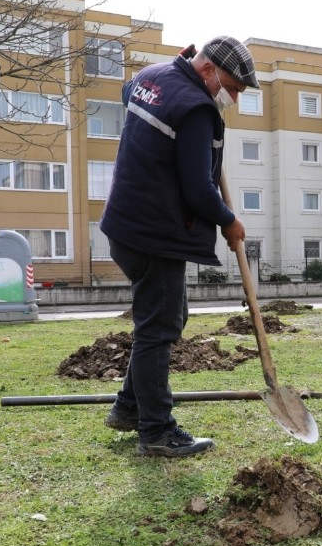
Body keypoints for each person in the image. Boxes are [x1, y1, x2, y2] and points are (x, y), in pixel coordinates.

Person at [100, 36, 259, 457]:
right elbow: (198, 190)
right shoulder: (196, 109)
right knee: (159, 329)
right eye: (233, 88)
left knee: (167, 317)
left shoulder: (150, 78)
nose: (234, 99)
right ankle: (157, 432)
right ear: (207, 70)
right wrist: (230, 222)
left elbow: (127, 96)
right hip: (155, 233)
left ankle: (128, 407)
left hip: (124, 225)